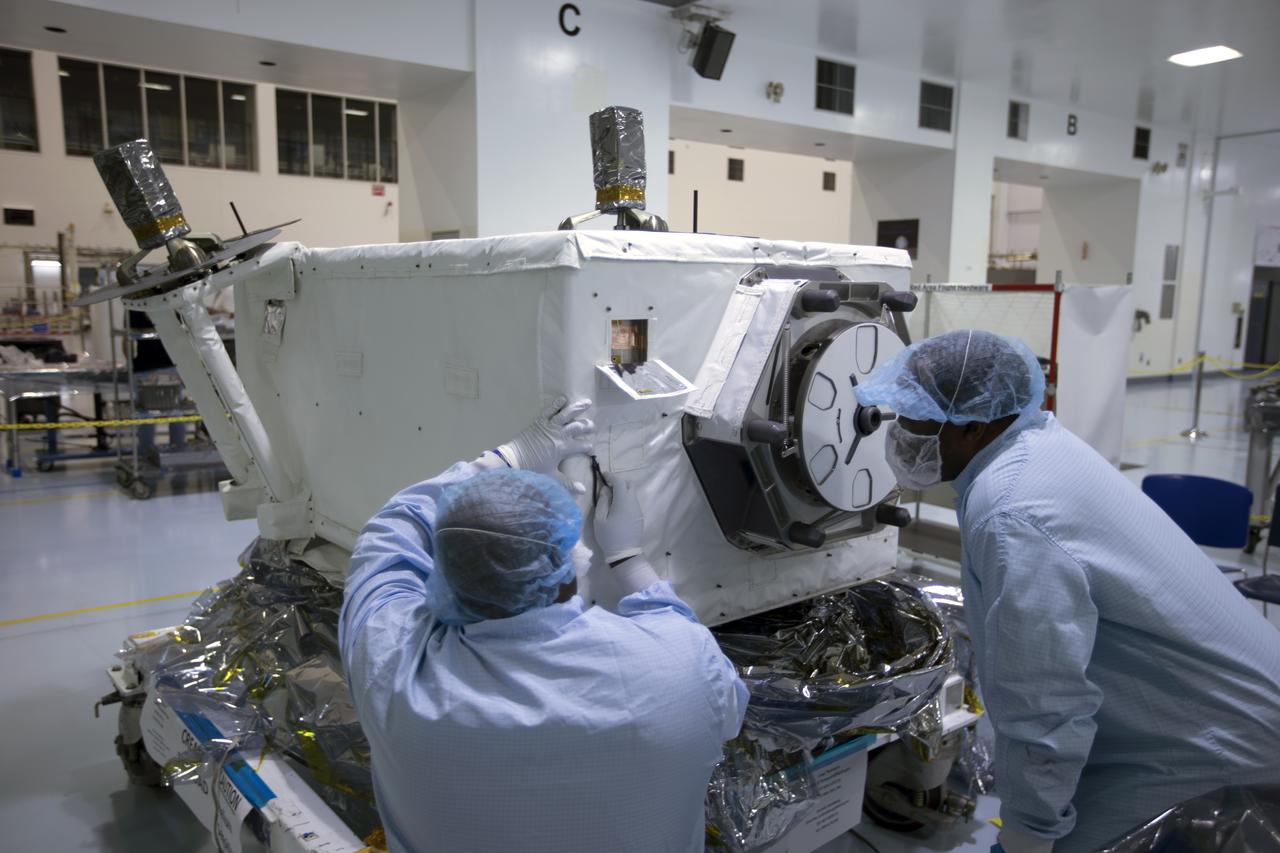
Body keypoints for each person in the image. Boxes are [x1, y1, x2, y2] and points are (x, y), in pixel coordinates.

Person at [855, 329, 1280, 853]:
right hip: (1218, 717)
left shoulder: (1012, 510)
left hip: (1219, 760)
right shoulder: (1037, 446)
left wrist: (1027, 835)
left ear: (975, 423)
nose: (901, 434)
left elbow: (1043, 703)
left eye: (915, 418)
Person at [339, 395, 748, 853]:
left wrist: (506, 457)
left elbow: (387, 537)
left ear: (442, 575)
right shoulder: (680, 668)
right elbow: (711, 683)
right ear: (573, 561)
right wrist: (629, 559)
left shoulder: (391, 671)